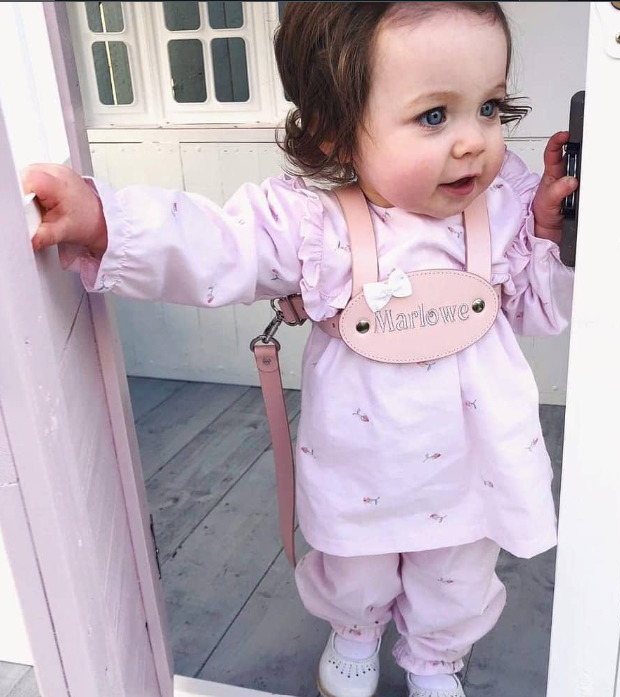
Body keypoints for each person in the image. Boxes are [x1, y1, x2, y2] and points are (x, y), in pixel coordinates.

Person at [23, 3, 577, 696]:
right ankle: (355, 630)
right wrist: (109, 223)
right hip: (362, 457)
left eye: (489, 107)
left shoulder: (503, 209)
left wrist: (548, 236)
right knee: (354, 564)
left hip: (473, 460)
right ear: (336, 131)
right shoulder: (314, 225)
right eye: (435, 116)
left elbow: (537, 310)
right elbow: (217, 243)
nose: (473, 142)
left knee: (458, 574)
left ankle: (435, 660)